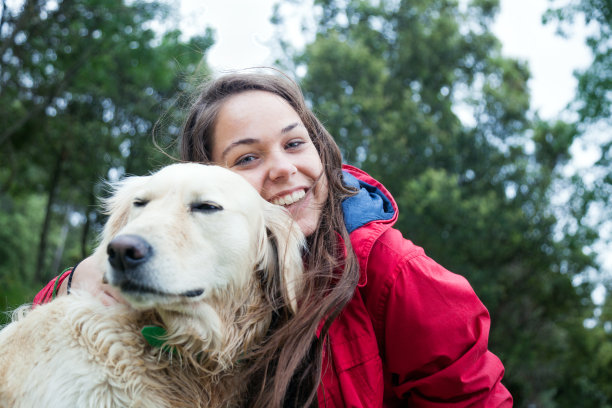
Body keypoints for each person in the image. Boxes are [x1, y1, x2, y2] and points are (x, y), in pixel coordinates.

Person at [35, 70, 513, 407]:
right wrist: (80, 276)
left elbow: (473, 399)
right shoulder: (181, 270)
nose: (285, 169)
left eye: (294, 143)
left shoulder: (389, 270)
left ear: (319, 147)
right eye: (246, 159)